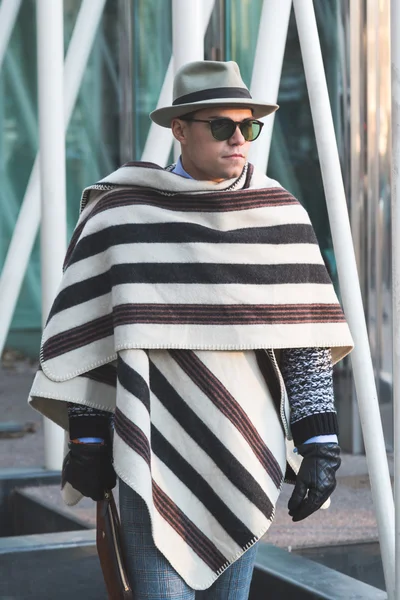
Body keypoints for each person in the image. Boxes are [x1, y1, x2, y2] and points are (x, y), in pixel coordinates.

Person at [29, 60, 353, 600]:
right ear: (179, 130)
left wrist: (320, 445)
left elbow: (303, 343)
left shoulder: (277, 216)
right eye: (220, 126)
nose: (238, 139)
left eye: (247, 127)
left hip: (248, 457)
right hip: (151, 454)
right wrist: (88, 438)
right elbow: (94, 337)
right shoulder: (121, 216)